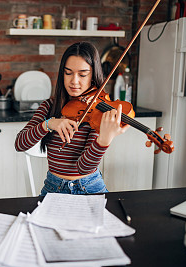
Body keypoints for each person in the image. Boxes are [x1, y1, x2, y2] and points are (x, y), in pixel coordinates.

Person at [14, 42, 129, 196]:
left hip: (89, 188)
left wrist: (104, 141)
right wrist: (48, 124)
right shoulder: (49, 107)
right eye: (68, 73)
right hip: (52, 188)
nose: (74, 81)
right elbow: (19, 144)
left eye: (82, 74)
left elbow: (83, 167)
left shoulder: (97, 112)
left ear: (93, 76)